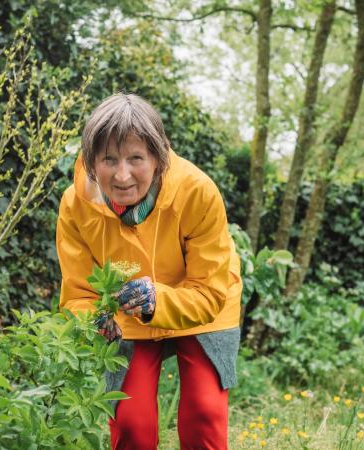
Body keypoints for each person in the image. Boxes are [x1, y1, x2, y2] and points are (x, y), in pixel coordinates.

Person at [56, 93, 242, 450]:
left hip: (204, 304)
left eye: (136, 158)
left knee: (205, 412)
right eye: (109, 160)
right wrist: (96, 320)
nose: (122, 175)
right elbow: (78, 293)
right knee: (131, 423)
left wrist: (159, 298)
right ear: (92, 162)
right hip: (127, 311)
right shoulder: (75, 206)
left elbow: (209, 290)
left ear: (159, 158)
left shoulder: (197, 191)